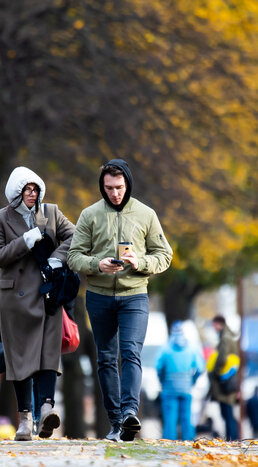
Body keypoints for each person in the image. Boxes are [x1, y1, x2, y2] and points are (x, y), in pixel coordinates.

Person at [68, 159, 173, 441]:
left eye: (119, 187)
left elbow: (165, 255)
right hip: (99, 296)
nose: (114, 193)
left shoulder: (146, 214)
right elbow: (73, 256)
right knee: (105, 358)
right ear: (102, 187)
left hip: (134, 294)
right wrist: (96, 265)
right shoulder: (89, 215)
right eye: (109, 188)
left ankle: (129, 413)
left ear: (127, 184)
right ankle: (115, 422)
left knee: (130, 352)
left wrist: (140, 262)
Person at [0, 166, 76, 440]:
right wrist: (24, 242)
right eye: (27, 189)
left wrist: (56, 258)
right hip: (15, 299)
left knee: (49, 351)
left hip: (48, 294)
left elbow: (75, 236)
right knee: (21, 359)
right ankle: (25, 419)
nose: (32, 194)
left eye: (35, 189)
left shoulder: (50, 212)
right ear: (16, 192)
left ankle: (47, 408)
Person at [155, 322, 204, 440]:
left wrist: (162, 381)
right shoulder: (191, 349)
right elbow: (200, 368)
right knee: (186, 418)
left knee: (170, 419)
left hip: (169, 389)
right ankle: (189, 442)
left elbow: (158, 367)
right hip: (186, 389)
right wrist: (192, 380)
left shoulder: (165, 349)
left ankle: (168, 442)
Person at [208, 315, 240, 441]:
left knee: (227, 413)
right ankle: (232, 438)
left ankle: (231, 440)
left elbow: (221, 358)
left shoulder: (225, 338)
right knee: (228, 413)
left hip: (224, 381)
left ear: (218, 324)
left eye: (214, 325)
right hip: (229, 379)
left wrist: (215, 371)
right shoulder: (228, 336)